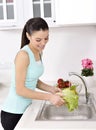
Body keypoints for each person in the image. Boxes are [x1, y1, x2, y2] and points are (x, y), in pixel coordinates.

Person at [1, 17, 65, 130]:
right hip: (13, 113)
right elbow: (20, 90)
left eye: (46, 38)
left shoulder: (39, 52)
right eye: (38, 40)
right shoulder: (23, 55)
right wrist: (49, 97)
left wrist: (51, 89)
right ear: (28, 36)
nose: (43, 43)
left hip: (26, 109)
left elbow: (32, 79)